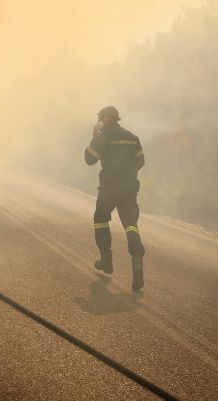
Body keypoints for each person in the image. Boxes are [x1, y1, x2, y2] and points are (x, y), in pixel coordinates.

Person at [85, 105, 146, 291]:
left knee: (101, 219)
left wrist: (95, 137)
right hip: (129, 187)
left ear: (105, 119)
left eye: (101, 120)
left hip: (109, 187)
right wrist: (126, 172)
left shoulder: (104, 136)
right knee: (130, 224)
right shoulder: (132, 137)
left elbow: (89, 159)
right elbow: (141, 162)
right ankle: (137, 257)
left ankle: (106, 259)